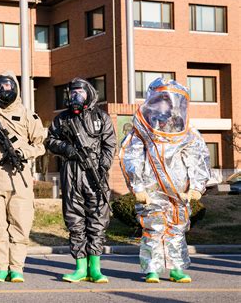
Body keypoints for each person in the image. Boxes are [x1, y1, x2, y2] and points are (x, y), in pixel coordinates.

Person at [120, 78, 211, 283]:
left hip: (179, 190)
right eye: (160, 100)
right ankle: (152, 268)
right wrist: (138, 187)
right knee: (153, 227)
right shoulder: (142, 131)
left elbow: (199, 158)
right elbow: (131, 157)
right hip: (151, 187)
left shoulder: (187, 132)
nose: (164, 106)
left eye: (168, 101)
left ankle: (176, 268)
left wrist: (197, 187)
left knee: (177, 227)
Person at [0, 71, 46, 282]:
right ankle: (1, 267)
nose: (5, 90)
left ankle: (17, 269)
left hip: (19, 175)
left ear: (16, 88)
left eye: (9, 86)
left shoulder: (28, 115)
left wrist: (25, 152)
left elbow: (40, 145)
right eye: (1, 86)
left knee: (20, 224)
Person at [45, 77, 116, 283]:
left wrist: (103, 165)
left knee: (97, 219)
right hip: (71, 172)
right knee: (75, 219)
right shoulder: (62, 119)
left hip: (95, 174)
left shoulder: (101, 117)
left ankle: (95, 268)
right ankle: (80, 267)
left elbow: (110, 144)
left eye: (80, 92)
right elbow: (50, 141)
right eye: (73, 92)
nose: (76, 96)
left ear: (89, 93)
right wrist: (67, 149)